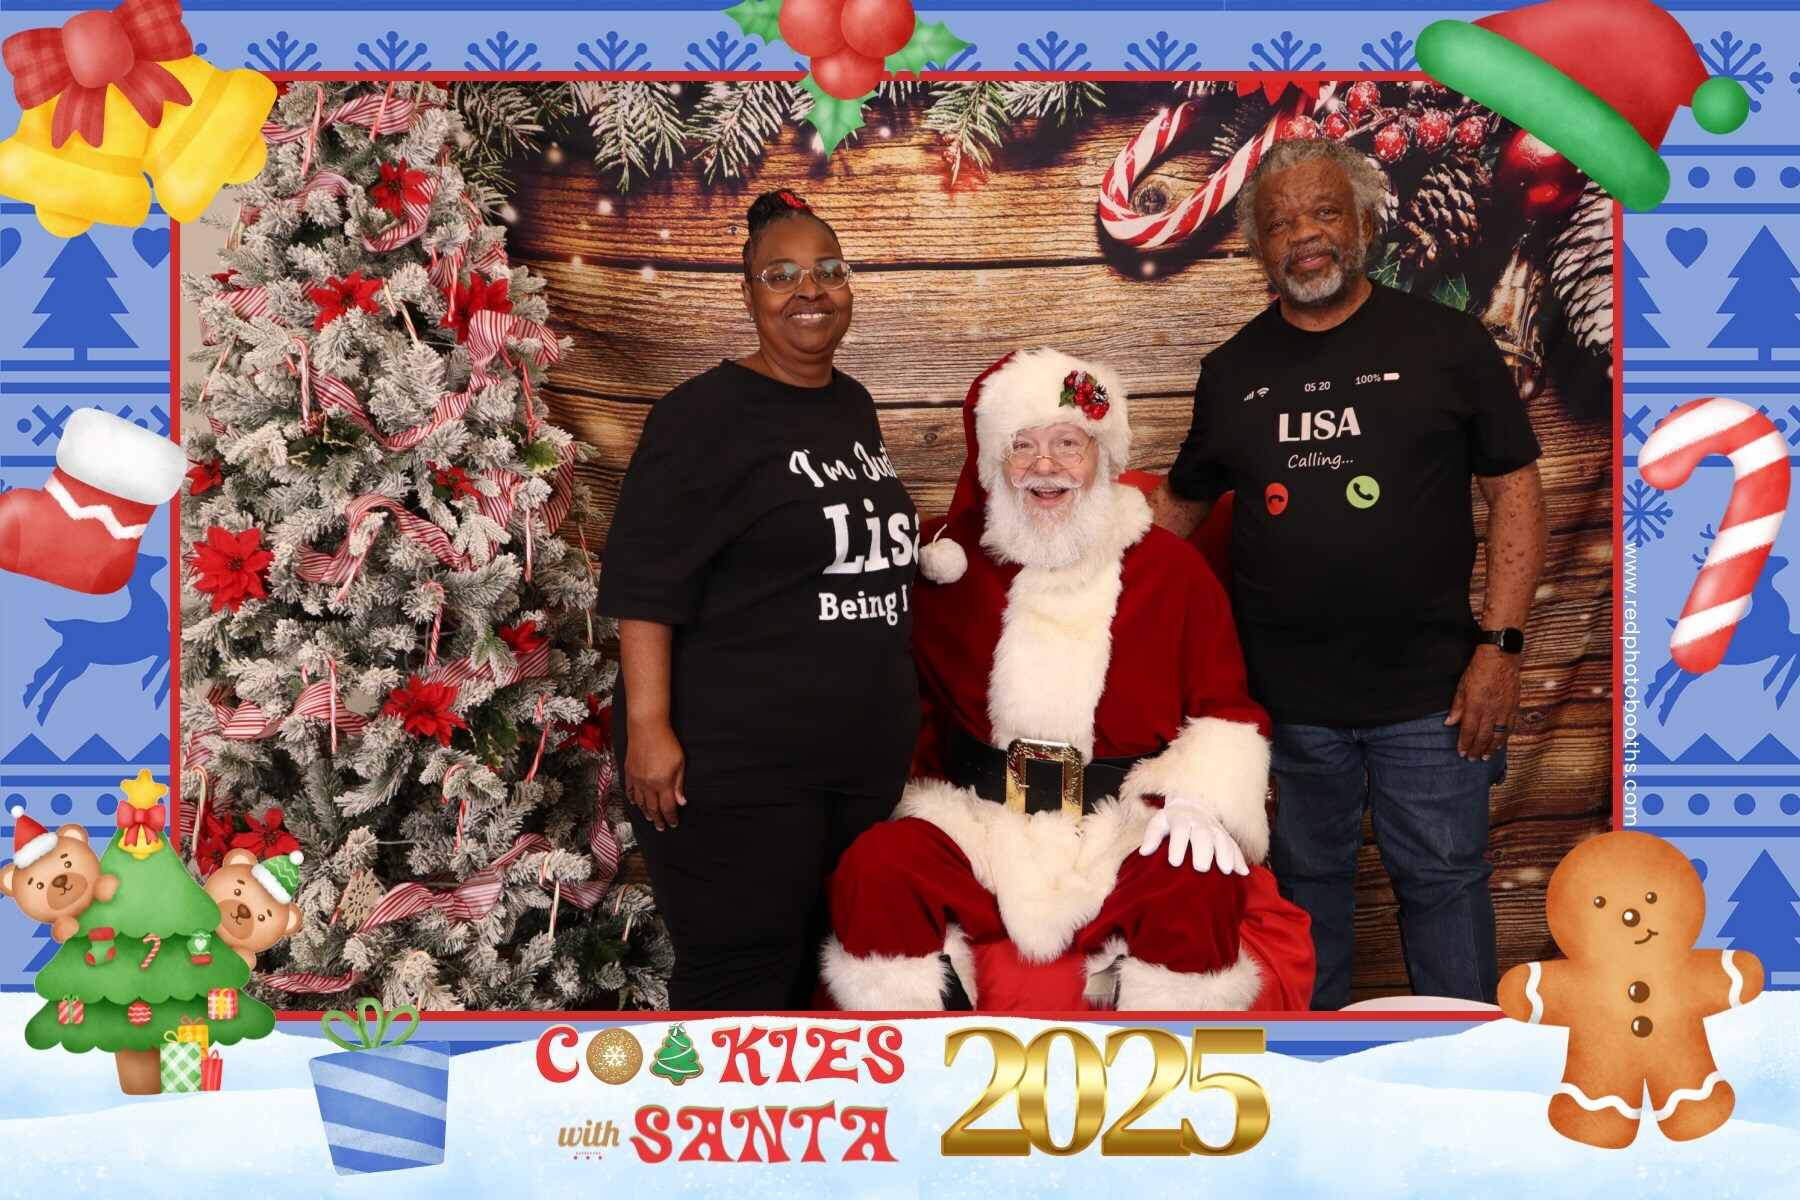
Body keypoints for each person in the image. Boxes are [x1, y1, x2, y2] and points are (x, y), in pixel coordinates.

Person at [1148, 138, 1548, 1009]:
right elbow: (1177, 509)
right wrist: (1080, 572)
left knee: (1443, 880)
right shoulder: (1231, 372)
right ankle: (1314, 1073)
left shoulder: (1446, 343)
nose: (1304, 235)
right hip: (1285, 703)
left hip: (1434, 692)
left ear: (1365, 221)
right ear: (1259, 249)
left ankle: (1464, 1063)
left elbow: (1515, 492)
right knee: (1304, 888)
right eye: (1279, 222)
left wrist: (1502, 649)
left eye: (1324, 211)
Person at [822, 348, 1315, 1012]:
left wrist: (1200, 801)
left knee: (1195, 883)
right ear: (992, 464)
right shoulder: (946, 569)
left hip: (1122, 825)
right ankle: (920, 1049)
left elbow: (1225, 708)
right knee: (876, 868)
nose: (1045, 465)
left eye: (1066, 443)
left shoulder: (1172, 569)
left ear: (1101, 457)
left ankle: (1157, 1056)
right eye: (1022, 445)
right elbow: (897, 697)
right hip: (979, 821)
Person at [597, 190, 920, 1009]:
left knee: (818, 974)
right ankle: (708, 1101)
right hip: (737, 767)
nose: (809, 290)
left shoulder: (850, 403)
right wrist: (648, 727)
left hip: (850, 762)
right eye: (781, 275)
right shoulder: (701, 415)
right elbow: (644, 580)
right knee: (740, 984)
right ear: (747, 295)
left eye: (827, 271)